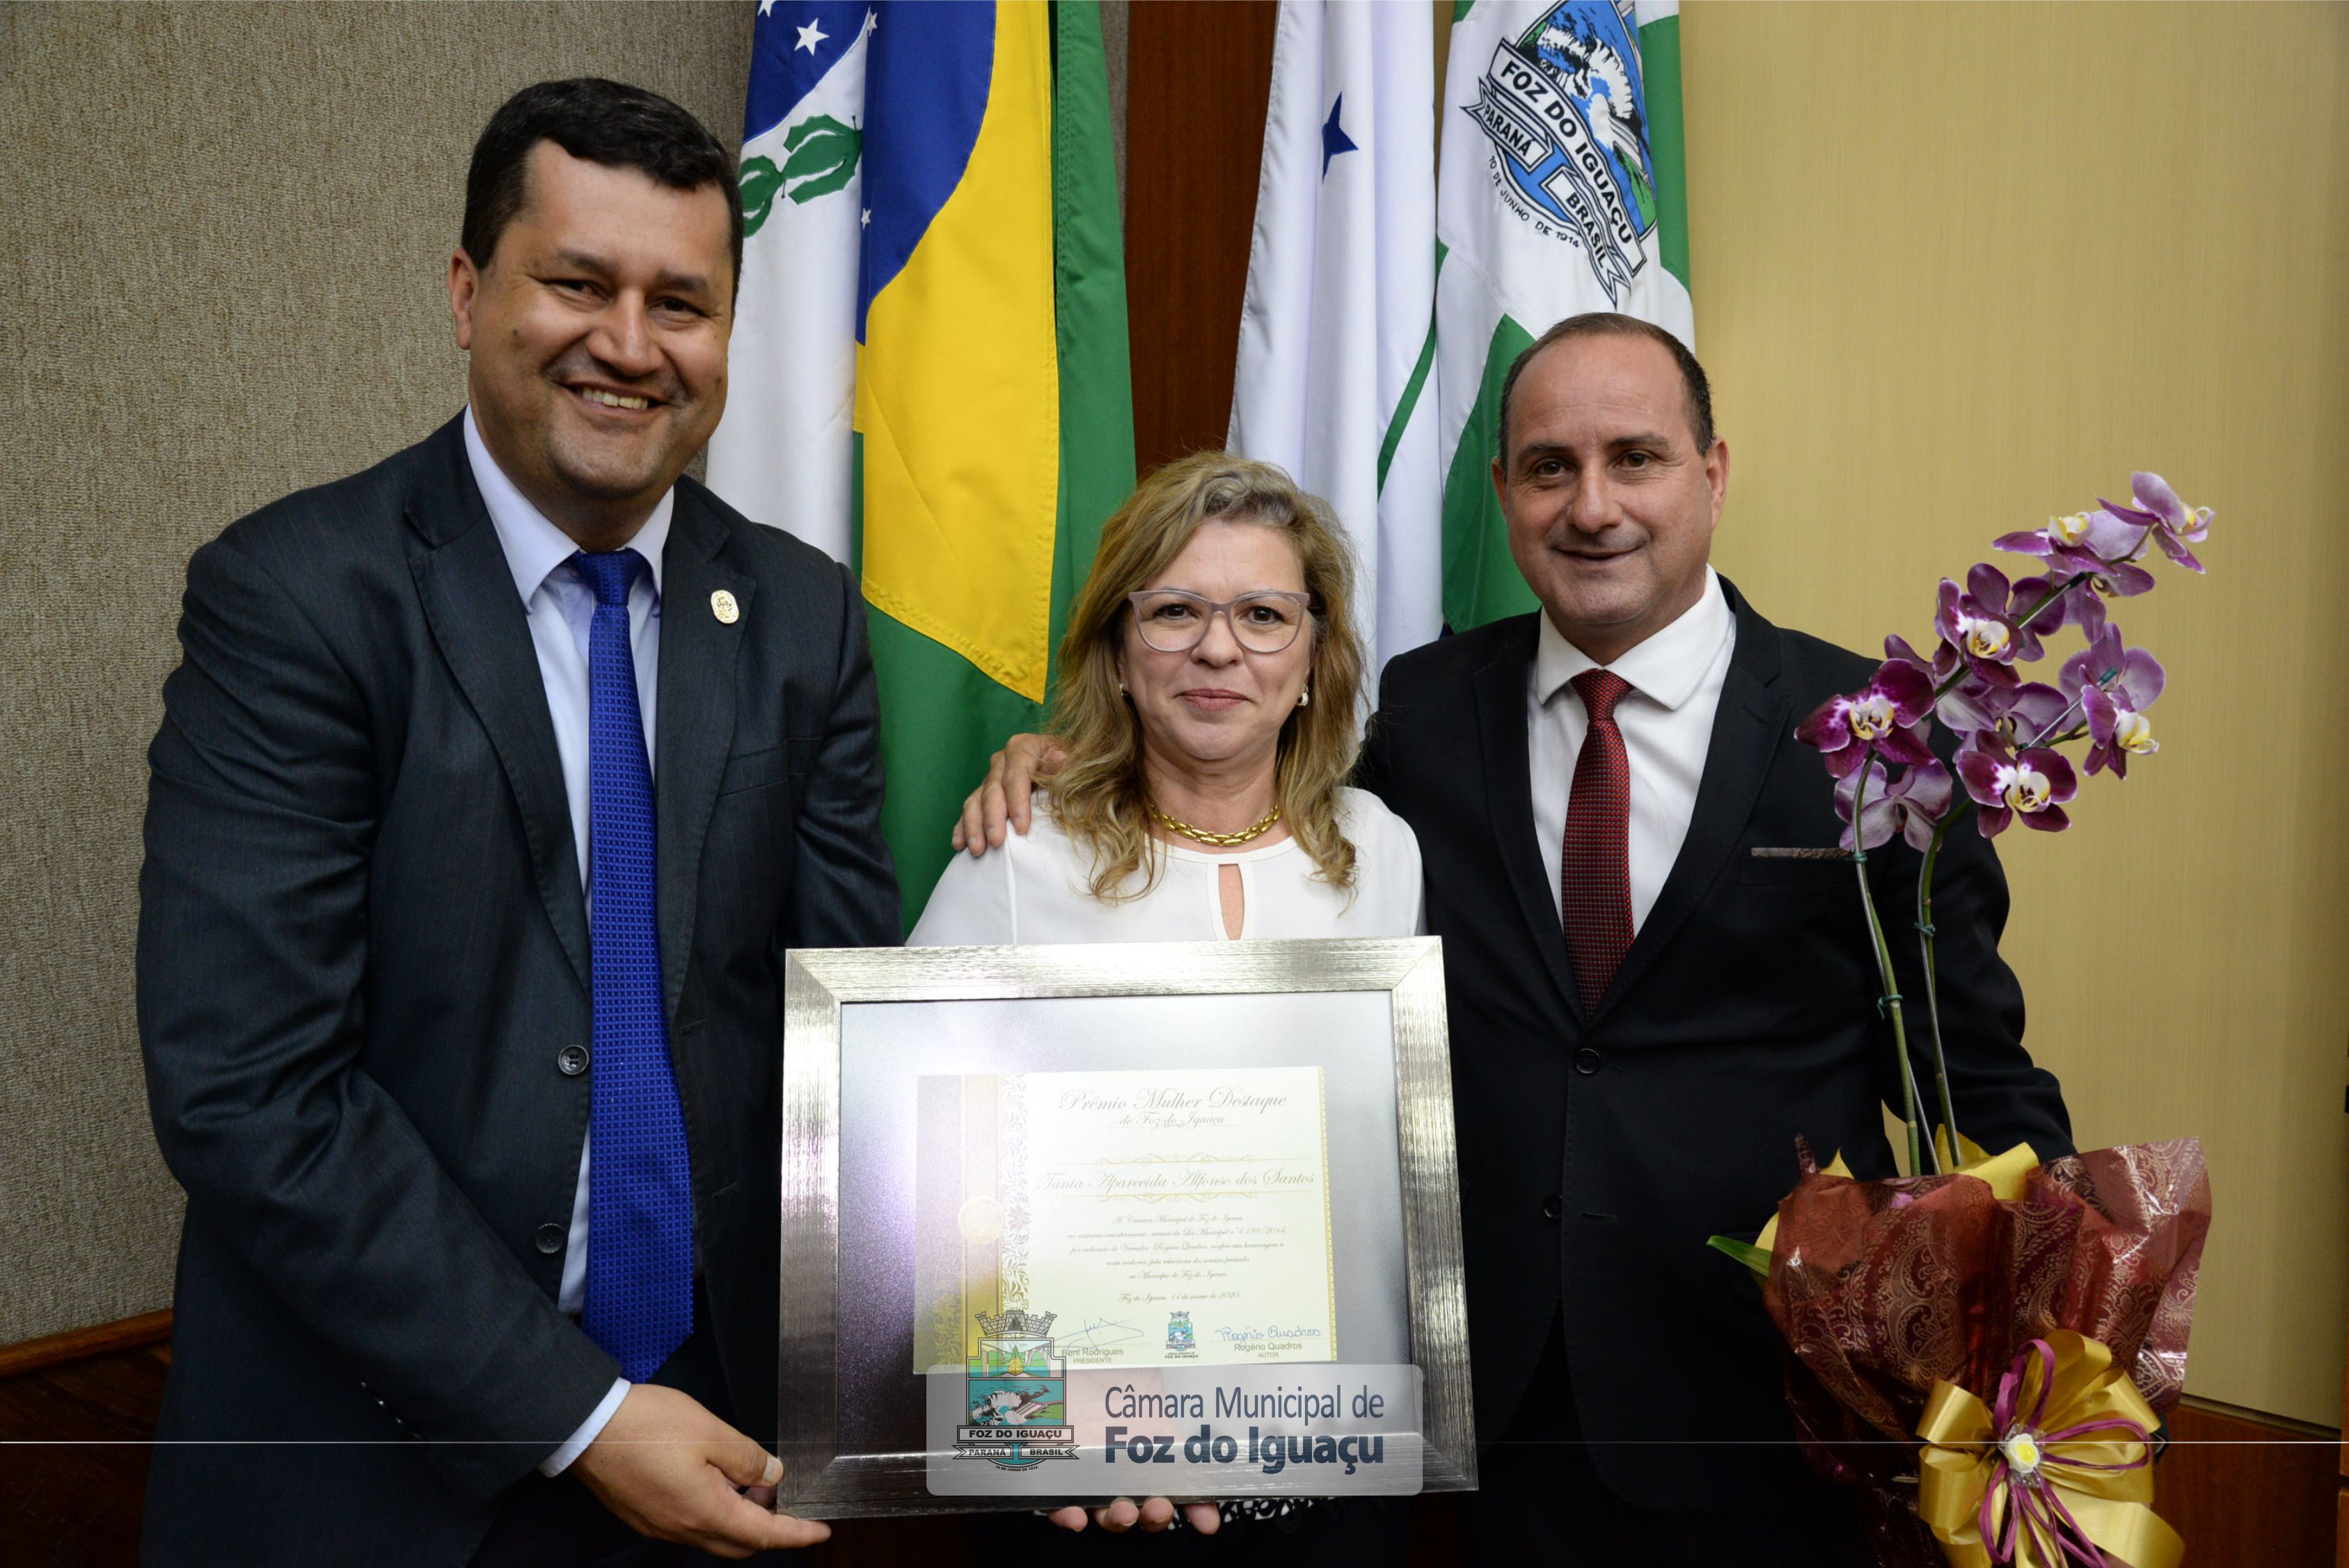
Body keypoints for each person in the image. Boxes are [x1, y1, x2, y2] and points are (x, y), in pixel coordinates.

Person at [954, 314, 2073, 1563]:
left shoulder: (1877, 746)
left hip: (1768, 1428)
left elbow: (1974, 1077)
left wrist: (2052, 1354)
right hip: (1478, 1431)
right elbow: (1243, 803)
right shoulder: (1431, 715)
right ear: (1503, 492)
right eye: (1550, 466)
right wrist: (1069, 765)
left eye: (1635, 458)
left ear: (1713, 471)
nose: (1592, 505)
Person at [136, 79, 899, 1566]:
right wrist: (581, 1410)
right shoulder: (297, 596)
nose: (628, 342)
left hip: (718, 1448)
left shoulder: (802, 613)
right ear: (468, 289)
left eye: (681, 300)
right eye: (576, 283)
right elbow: (247, 1085)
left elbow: (839, 1024)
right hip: (376, 1468)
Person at [915, 454, 1420, 1561]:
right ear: (1119, 649)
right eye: (1176, 610)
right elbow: (932, 1173)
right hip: (1084, 1487)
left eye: (1262, 613)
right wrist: (1045, 1437)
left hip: (1327, 1467)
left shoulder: (1383, 853)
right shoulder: (1016, 857)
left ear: (1314, 656)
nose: (1218, 647)